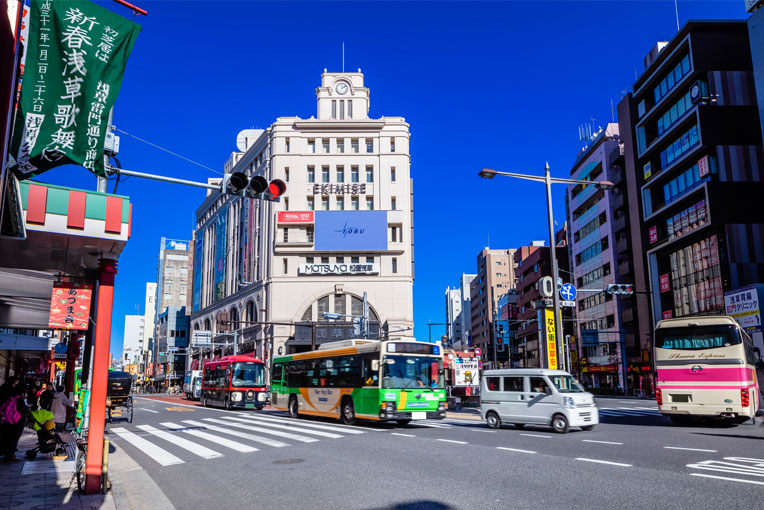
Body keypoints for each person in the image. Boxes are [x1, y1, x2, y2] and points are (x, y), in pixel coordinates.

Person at [0, 383, 28, 463]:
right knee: (14, 437)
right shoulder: (18, 397)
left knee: (6, 436)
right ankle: (10, 455)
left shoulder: (7, 396)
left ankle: (5, 453)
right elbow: (23, 410)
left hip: (6, 420)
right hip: (16, 420)